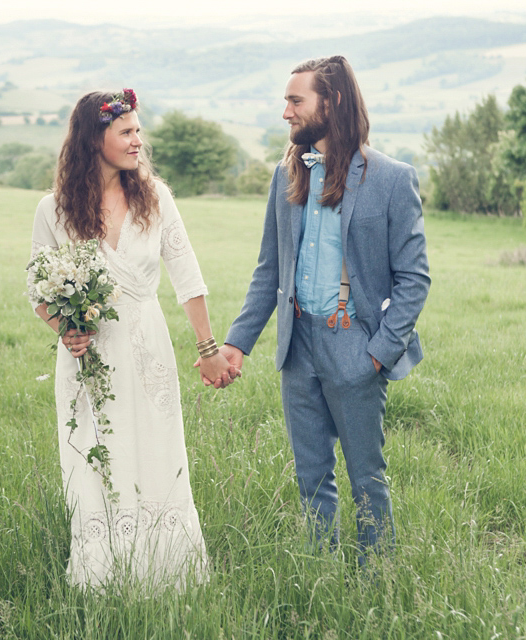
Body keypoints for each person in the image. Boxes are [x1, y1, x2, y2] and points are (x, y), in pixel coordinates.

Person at [218, 56, 430, 562]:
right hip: (298, 346)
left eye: (296, 101)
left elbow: (414, 280)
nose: (286, 112)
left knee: (366, 480)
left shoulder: (392, 179)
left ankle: (375, 581)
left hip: (356, 345)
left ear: (330, 103)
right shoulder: (284, 175)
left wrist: (377, 354)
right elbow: (270, 271)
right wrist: (235, 342)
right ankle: (319, 575)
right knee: (311, 478)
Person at [27, 89, 235, 589]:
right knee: (96, 455)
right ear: (93, 139)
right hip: (87, 361)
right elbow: (37, 289)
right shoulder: (52, 210)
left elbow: (189, 278)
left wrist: (208, 350)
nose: (138, 140)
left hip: (147, 349)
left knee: (157, 450)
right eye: (126, 132)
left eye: (139, 130)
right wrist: (67, 330)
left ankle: (167, 571)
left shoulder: (155, 198)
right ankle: (102, 576)